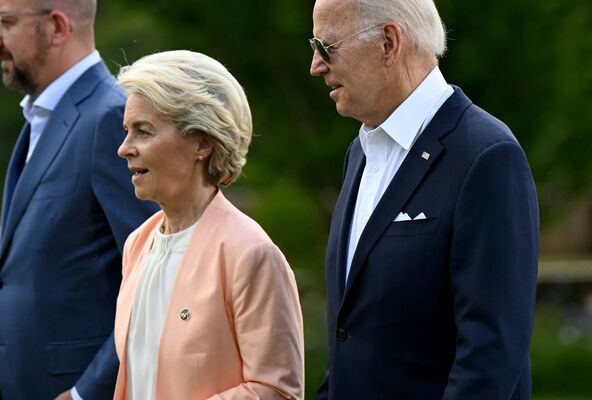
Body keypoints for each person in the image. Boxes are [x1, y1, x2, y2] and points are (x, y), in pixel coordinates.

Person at [308, 0, 540, 398]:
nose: (316, 65)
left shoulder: (486, 155)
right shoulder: (360, 152)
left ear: (388, 43)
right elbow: (351, 338)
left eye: (327, 47)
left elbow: (489, 359)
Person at [0, 0, 158, 398]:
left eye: (4, 22)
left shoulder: (112, 119)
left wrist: (86, 393)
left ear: (57, 27)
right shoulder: (43, 115)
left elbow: (155, 280)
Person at [111, 50, 305, 400]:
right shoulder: (137, 245)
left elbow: (277, 390)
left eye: (143, 131)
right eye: (127, 131)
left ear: (202, 142)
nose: (125, 148)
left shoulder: (250, 254)